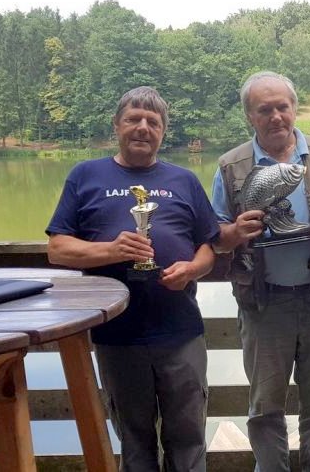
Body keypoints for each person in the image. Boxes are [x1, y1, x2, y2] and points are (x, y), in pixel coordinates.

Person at [46, 86, 220, 471]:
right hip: (116, 335)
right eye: (134, 119)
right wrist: (111, 251)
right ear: (117, 125)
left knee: (189, 438)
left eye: (153, 122)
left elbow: (210, 246)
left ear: (163, 131)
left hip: (180, 331)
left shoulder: (185, 179)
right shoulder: (85, 174)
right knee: (135, 442)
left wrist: (192, 268)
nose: (143, 128)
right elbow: (57, 248)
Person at [211, 71, 310, 472]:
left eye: (282, 107)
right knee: (264, 407)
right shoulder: (230, 165)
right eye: (264, 109)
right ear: (250, 116)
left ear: (294, 108)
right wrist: (235, 232)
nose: (275, 116)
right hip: (263, 303)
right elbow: (214, 234)